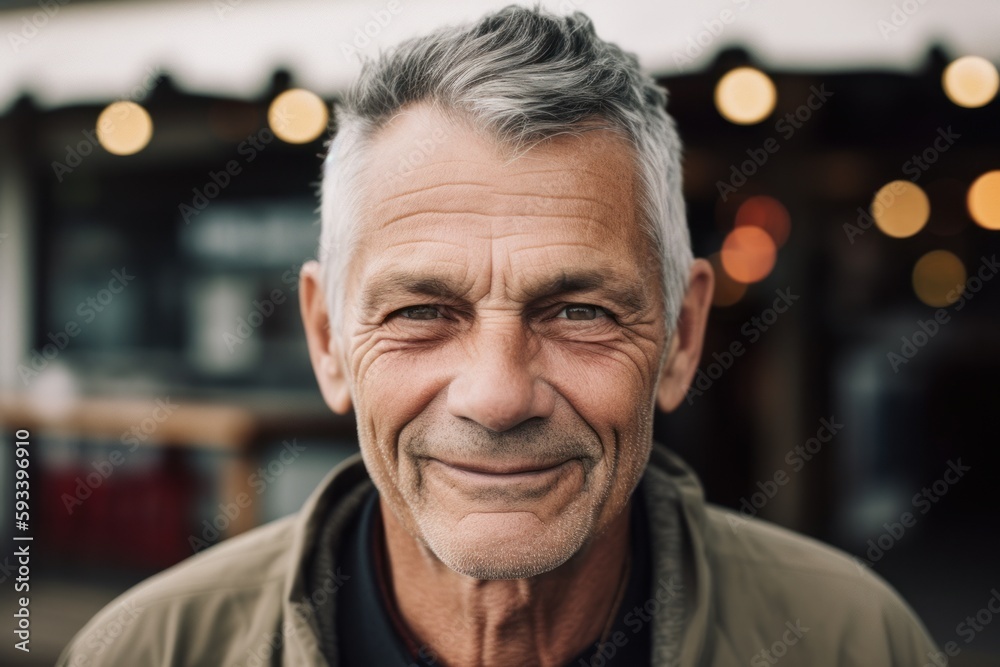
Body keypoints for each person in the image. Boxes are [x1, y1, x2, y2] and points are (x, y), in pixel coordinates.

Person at [59, 5, 940, 666]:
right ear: (328, 339)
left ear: (680, 336)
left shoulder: (851, 641)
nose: (497, 394)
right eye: (421, 312)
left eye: (579, 311)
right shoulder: (148, 651)